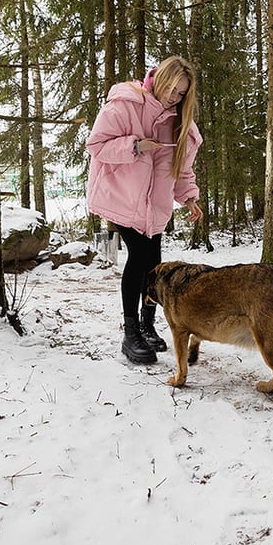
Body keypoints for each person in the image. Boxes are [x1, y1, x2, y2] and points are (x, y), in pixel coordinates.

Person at [86, 56, 204, 364]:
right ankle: (131, 333)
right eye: (171, 88)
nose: (173, 96)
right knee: (139, 257)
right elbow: (96, 146)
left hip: (156, 205)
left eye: (181, 93)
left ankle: (147, 325)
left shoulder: (180, 122)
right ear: (159, 78)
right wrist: (135, 146)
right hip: (122, 198)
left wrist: (189, 197)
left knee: (154, 262)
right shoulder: (125, 104)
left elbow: (182, 169)